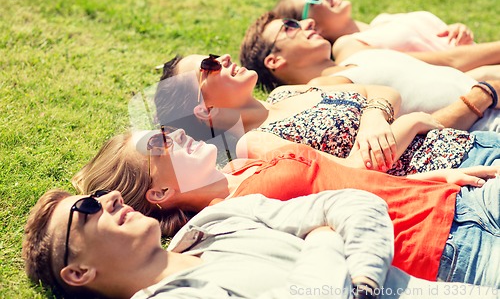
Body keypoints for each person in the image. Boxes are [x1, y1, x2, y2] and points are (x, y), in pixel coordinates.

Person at [72, 127, 500, 286]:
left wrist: (422, 181)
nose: (171, 134)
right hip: (447, 250)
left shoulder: (243, 168)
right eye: (156, 144)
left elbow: (345, 179)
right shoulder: (226, 222)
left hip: (458, 200)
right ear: (159, 194)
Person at [24, 187, 500, 299]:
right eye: (86, 209)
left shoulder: (218, 219)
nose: (108, 198)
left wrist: (365, 275)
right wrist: (323, 244)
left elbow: (352, 203)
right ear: (78, 272)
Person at [154, 53, 499, 174]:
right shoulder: (258, 144)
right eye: (208, 67)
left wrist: (374, 116)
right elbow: (352, 173)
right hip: (457, 170)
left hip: (472, 141)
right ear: (206, 109)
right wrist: (408, 122)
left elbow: (378, 92)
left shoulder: (284, 92)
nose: (223, 59)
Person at [238, 12, 500, 132]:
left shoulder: (361, 57)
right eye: (290, 27)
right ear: (274, 60)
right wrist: (482, 95)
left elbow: (448, 69)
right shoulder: (319, 92)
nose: (308, 22)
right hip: (485, 127)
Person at [272, 0, 500, 81]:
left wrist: (457, 31)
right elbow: (450, 62)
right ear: (312, 24)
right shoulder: (352, 48)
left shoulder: (383, 20)